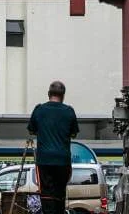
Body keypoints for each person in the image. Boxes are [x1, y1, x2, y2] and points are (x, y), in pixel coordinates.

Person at [26, 81, 79, 214]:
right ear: (63, 96)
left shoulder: (39, 110)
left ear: (48, 94)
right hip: (63, 160)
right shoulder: (69, 111)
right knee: (60, 194)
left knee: (46, 194)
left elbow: (31, 130)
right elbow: (74, 134)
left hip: (44, 160)